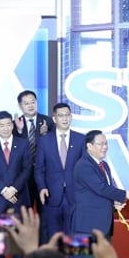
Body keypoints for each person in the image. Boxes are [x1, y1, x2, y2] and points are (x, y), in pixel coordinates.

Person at [70, 130, 129, 258]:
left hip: (102, 225)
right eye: (100, 144)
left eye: (106, 143)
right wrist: (124, 194)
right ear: (89, 146)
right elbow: (100, 188)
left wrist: (115, 204)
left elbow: (102, 191)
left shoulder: (103, 165)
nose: (104, 147)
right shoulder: (83, 165)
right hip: (84, 225)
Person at [34, 102, 85, 240]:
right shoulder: (44, 141)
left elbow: (86, 169)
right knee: (53, 236)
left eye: (68, 115)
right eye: (61, 115)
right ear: (54, 118)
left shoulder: (81, 139)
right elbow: (39, 169)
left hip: (74, 196)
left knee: (76, 236)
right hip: (52, 196)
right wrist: (42, 187)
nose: (65, 118)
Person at [0, 110, 33, 219]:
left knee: (19, 233)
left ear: (13, 125)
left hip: (19, 196)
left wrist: (14, 189)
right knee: (0, 233)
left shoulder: (23, 144)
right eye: (1, 125)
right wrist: (4, 190)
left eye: (8, 124)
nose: (5, 128)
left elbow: (27, 169)